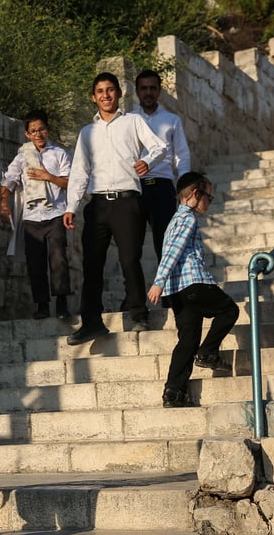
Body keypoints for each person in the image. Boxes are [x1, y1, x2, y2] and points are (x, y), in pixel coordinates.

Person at [64, 72, 167, 346]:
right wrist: (71, 207)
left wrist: (146, 161)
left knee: (129, 259)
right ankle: (92, 323)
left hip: (127, 201)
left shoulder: (133, 121)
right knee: (92, 264)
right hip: (97, 204)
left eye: (110, 90)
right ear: (93, 97)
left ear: (119, 94)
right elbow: (79, 172)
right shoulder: (87, 132)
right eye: (100, 91)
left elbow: (160, 147)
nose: (106, 95)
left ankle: (138, 313)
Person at [147, 172, 239, 408]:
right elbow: (173, 252)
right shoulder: (187, 219)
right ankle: (208, 353)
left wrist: (164, 284)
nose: (210, 201)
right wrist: (158, 281)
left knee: (187, 340)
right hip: (193, 283)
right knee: (229, 310)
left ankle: (173, 392)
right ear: (196, 194)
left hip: (177, 291)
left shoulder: (174, 220)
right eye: (209, 196)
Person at [0, 110, 73, 321]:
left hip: (56, 213)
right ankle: (41, 305)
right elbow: (8, 181)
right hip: (32, 217)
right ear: (27, 134)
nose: (38, 134)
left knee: (58, 259)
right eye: (33, 131)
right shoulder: (22, 157)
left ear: (47, 130)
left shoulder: (59, 154)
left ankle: (61, 303)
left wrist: (47, 176)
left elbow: (69, 182)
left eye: (41, 129)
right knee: (35, 263)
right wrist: (3, 203)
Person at [132, 69, 191, 259]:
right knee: (132, 246)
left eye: (152, 88)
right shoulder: (128, 120)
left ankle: (169, 288)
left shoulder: (172, 120)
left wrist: (184, 187)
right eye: (143, 88)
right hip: (135, 187)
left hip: (162, 186)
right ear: (137, 91)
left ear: (159, 91)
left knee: (166, 244)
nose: (148, 92)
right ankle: (134, 290)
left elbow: (181, 155)